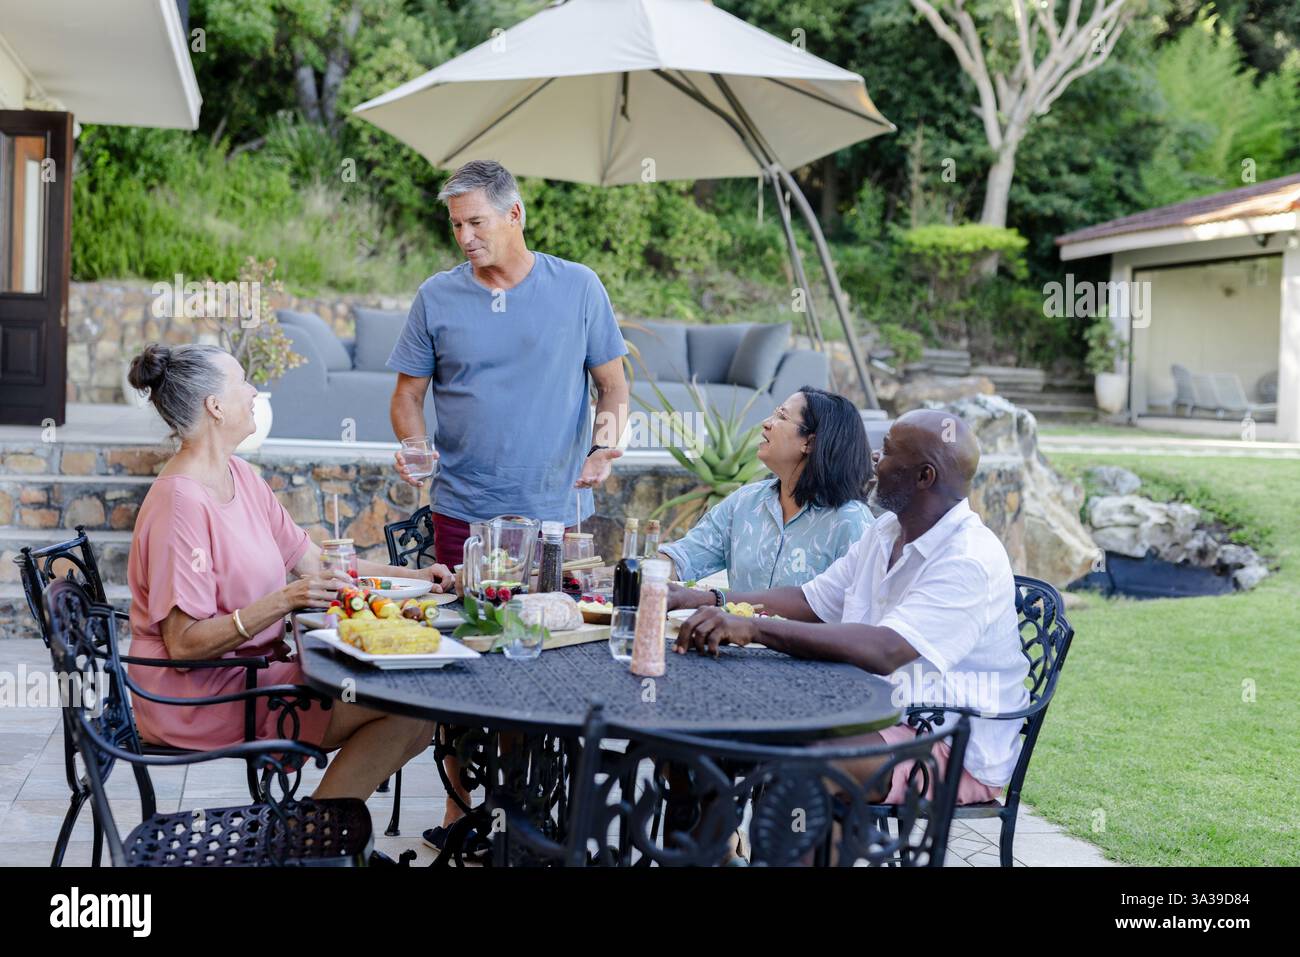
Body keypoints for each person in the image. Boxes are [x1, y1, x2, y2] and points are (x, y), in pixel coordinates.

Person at [385, 159, 630, 851]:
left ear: (514, 214)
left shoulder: (578, 288)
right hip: (463, 510)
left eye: (476, 222)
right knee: (463, 658)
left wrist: (605, 447)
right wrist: (414, 444)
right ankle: (461, 808)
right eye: (456, 224)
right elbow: (408, 397)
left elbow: (613, 388)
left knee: (543, 657)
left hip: (555, 517)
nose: (464, 236)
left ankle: (526, 808)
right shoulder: (437, 297)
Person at [670, 409, 1030, 818]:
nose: (875, 458)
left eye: (888, 451)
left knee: (797, 769)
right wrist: (708, 600)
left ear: (924, 477)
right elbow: (811, 600)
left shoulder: (968, 559)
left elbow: (885, 650)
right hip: (870, 712)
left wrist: (752, 629)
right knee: (704, 735)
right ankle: (713, 855)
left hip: (947, 743)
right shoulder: (886, 531)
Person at [125, 343, 446, 801]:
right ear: (215, 406)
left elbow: (314, 562)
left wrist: (419, 578)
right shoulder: (180, 503)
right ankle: (313, 842)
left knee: (418, 710)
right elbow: (183, 643)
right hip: (198, 696)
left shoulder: (240, 475)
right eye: (242, 382)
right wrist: (285, 600)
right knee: (404, 708)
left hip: (253, 674)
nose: (253, 391)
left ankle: (322, 840)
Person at [657, 387, 874, 592]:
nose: (766, 423)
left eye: (782, 416)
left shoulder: (851, 521)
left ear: (810, 443)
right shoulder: (745, 502)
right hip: (737, 632)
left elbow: (860, 608)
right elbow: (684, 558)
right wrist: (642, 569)